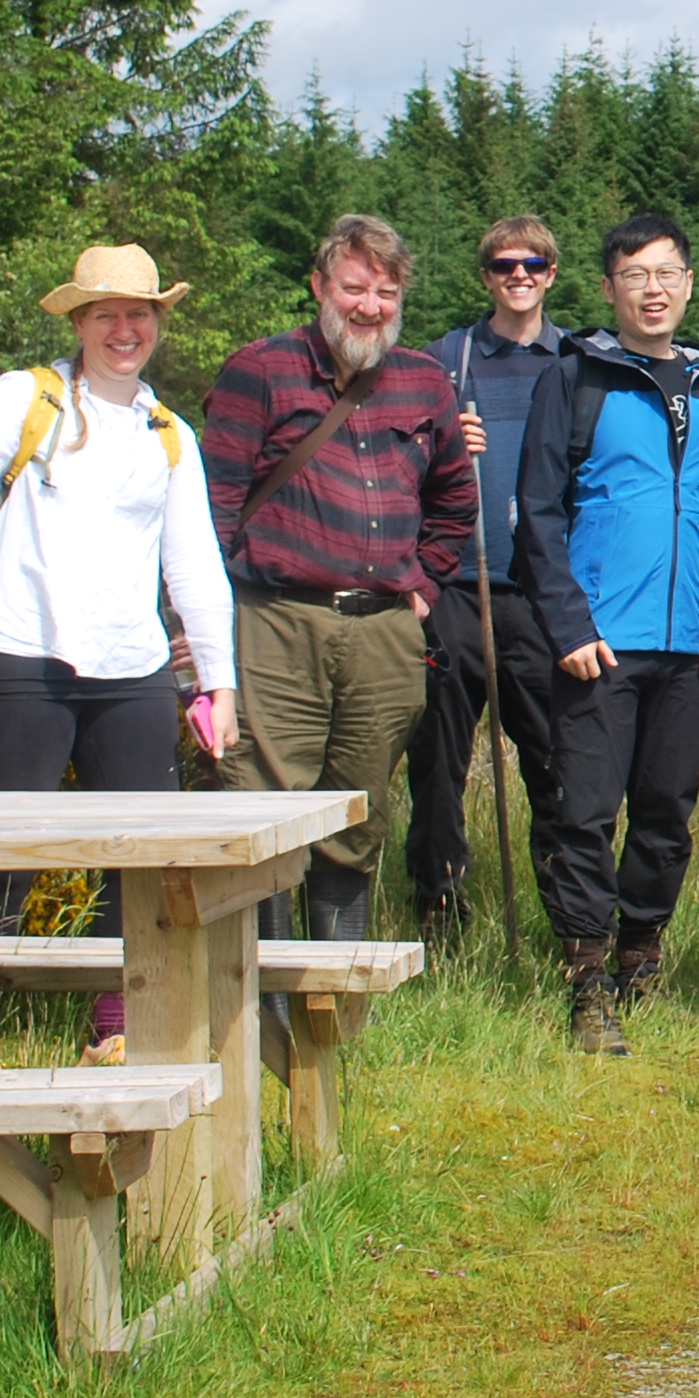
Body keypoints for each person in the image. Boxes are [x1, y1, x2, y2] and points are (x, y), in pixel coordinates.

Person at [0, 246, 237, 1067]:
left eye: (139, 313)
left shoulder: (170, 436)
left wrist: (219, 684)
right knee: (5, 857)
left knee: (137, 866)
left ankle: (115, 1028)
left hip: (132, 674)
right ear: (76, 321)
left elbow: (195, 570)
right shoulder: (24, 396)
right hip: (15, 662)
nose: (124, 328)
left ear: (158, 325)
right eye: (105, 313)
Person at [202, 216, 476, 955]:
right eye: (355, 288)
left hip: (386, 629)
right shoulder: (257, 371)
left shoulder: (423, 381)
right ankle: (258, 999)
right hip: (274, 622)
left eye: (386, 293)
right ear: (320, 286)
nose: (369, 306)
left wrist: (423, 585)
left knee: (358, 810)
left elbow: (456, 500)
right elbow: (213, 507)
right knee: (261, 809)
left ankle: (333, 997)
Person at [515, 213, 699, 1055]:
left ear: (688, 284)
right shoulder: (575, 378)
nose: (653, 289)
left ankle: (641, 951)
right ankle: (585, 979)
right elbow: (536, 513)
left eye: (667, 273)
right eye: (634, 275)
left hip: (689, 644)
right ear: (610, 288)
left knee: (666, 814)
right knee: (584, 812)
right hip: (599, 642)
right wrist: (567, 624)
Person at [407, 216, 572, 947]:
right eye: (505, 265)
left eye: (533, 264)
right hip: (454, 590)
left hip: (541, 601)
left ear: (551, 274)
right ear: (486, 276)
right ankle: (440, 910)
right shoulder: (445, 362)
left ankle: (570, 925)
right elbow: (395, 467)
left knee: (556, 767)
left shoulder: (576, 361)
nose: (519, 275)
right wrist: (443, 443)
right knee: (438, 765)